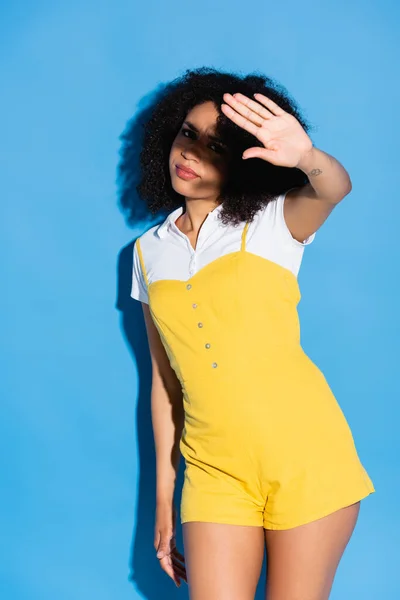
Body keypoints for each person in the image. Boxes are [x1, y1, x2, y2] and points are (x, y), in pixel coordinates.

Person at [129, 67, 375, 599]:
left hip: (306, 459)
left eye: (217, 146)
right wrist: (165, 503)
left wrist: (305, 157)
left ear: (245, 160)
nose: (191, 153)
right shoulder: (148, 252)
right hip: (214, 472)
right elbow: (165, 383)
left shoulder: (271, 223)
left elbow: (335, 188)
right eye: (188, 134)